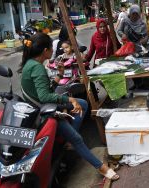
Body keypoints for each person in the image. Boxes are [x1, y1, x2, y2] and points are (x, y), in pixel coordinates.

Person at [19, 33, 119, 181]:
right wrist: (69, 99)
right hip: (44, 112)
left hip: (41, 106)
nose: (55, 50)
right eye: (51, 48)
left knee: (83, 104)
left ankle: (68, 141)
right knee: (77, 138)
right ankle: (101, 167)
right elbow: (44, 97)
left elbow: (47, 90)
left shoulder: (31, 64)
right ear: (45, 50)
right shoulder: (37, 68)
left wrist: (59, 75)